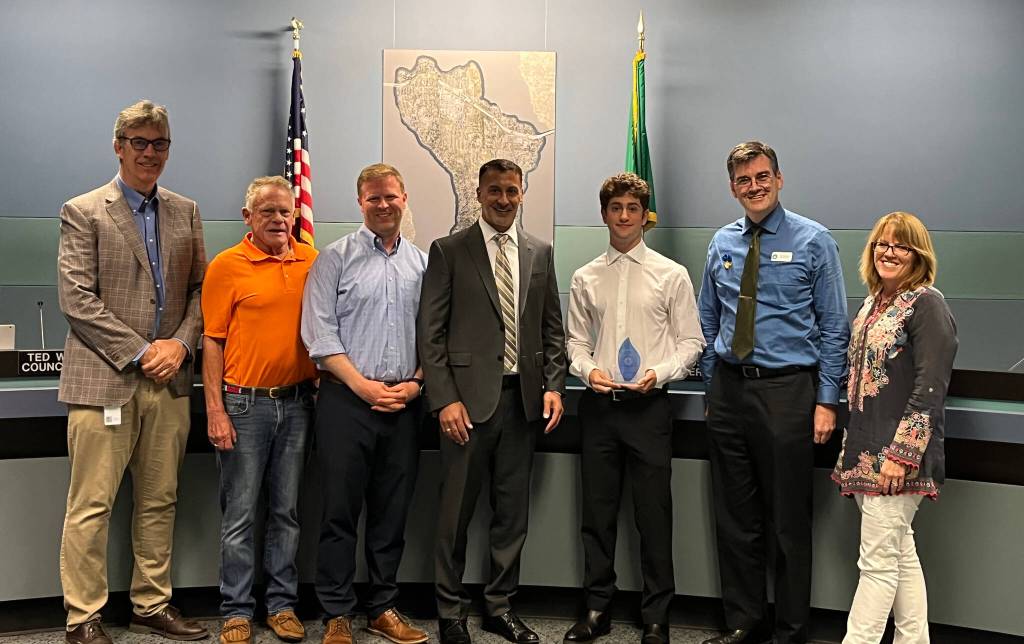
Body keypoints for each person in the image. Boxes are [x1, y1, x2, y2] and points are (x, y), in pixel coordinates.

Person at [57, 99, 207, 644]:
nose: (150, 153)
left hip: (169, 384)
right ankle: (84, 616)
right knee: (92, 504)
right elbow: (76, 299)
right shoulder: (84, 210)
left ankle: (151, 603)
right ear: (118, 146)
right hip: (105, 381)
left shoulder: (186, 211)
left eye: (159, 143)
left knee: (159, 498)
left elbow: (199, 292)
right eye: (139, 143)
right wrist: (145, 351)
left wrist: (181, 344)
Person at [698, 141, 850, 644]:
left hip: (789, 393)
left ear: (779, 179)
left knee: (787, 520)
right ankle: (743, 622)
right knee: (736, 518)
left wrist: (827, 399)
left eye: (763, 177)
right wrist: (709, 382)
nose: (755, 186)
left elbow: (834, 326)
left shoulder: (814, 240)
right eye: (744, 180)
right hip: (729, 392)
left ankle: (790, 631)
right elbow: (708, 319)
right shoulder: (722, 242)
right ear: (733, 188)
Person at [417, 159, 567, 644]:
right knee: (454, 515)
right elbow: (430, 334)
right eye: (494, 191)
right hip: (465, 407)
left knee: (511, 515)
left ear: (523, 193)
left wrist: (553, 385)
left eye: (512, 191)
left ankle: (500, 607)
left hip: (521, 405)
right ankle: (450, 613)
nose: (504, 199)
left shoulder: (540, 252)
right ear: (478, 193)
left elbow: (552, 332)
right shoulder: (449, 250)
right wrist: (443, 401)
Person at [563, 174, 704, 644]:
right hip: (600, 409)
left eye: (632, 208)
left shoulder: (672, 274)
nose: (624, 216)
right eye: (615, 207)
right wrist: (587, 372)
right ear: (603, 214)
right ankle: (597, 608)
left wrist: (659, 374)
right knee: (597, 515)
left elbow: (691, 344)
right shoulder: (586, 276)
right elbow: (576, 343)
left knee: (653, 514)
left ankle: (656, 616)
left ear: (645, 216)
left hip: (649, 408)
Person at [301, 164, 430, 644]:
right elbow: (318, 333)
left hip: (405, 403)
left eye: (391, 197)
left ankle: (382, 607)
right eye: (373, 198)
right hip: (347, 402)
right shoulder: (334, 259)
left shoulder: (422, 264)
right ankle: (337, 612)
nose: (383, 205)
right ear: (361, 202)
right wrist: (362, 386)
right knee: (338, 511)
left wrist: (416, 384)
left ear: (404, 198)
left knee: (391, 514)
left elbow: (434, 337)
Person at [202, 175, 318, 644]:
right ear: (248, 217)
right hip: (244, 405)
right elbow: (211, 341)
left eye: (285, 211)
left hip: (298, 404)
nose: (278, 219)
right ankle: (235, 610)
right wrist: (215, 410)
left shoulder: (312, 260)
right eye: (267, 211)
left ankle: (282, 605)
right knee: (241, 513)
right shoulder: (227, 266)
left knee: (287, 513)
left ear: (295, 216)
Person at [833, 212, 957, 644]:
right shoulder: (871, 305)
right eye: (882, 244)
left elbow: (930, 386)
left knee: (876, 565)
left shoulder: (927, 303)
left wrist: (901, 456)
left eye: (901, 245)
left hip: (896, 458)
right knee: (899, 555)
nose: (889, 252)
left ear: (917, 254)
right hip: (864, 449)